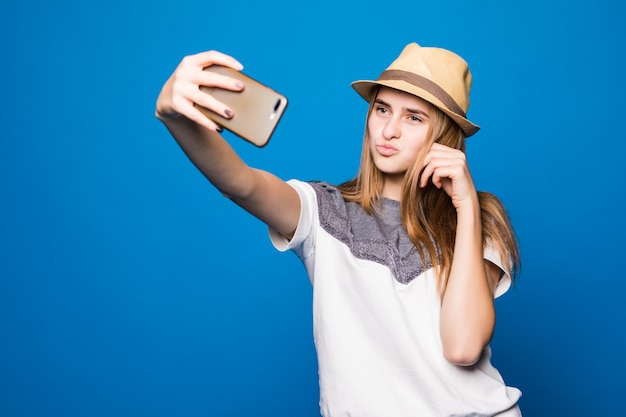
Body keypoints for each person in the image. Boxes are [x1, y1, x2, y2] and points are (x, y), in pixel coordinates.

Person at [155, 42, 522, 417]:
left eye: (414, 118)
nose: (389, 130)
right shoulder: (322, 211)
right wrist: (177, 118)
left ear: (444, 137)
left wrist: (466, 208)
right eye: (382, 109)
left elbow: (462, 347)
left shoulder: (481, 220)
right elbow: (242, 184)